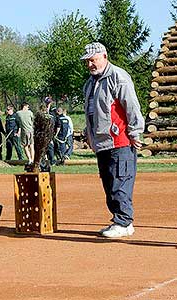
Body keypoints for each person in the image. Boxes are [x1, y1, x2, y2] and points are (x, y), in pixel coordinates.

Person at [81, 42, 144, 238]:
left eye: (94, 59)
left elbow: (132, 106)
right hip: (101, 143)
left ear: (104, 57)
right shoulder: (90, 84)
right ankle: (120, 220)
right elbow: (91, 113)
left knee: (120, 181)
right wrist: (89, 136)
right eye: (88, 61)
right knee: (109, 183)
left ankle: (124, 222)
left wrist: (135, 132)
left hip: (120, 140)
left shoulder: (119, 77)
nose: (91, 64)